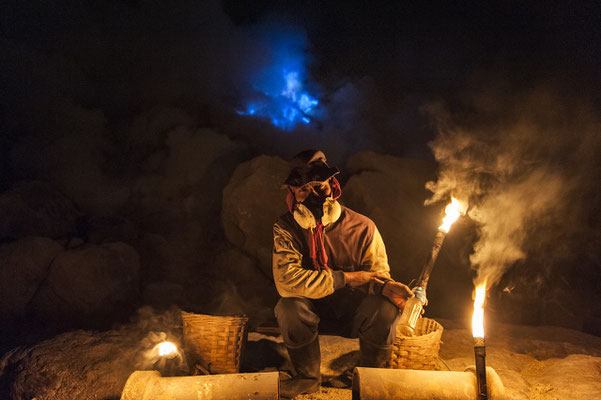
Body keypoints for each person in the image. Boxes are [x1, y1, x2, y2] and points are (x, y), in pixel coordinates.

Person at [273, 149, 417, 398]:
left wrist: (389, 289)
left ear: (333, 186)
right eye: (303, 190)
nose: (313, 196)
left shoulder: (363, 227)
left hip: (354, 312)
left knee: (385, 308)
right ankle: (306, 378)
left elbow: (379, 278)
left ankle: (371, 376)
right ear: (293, 193)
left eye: (319, 187)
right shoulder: (286, 228)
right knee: (288, 307)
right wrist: (347, 278)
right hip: (311, 312)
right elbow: (287, 282)